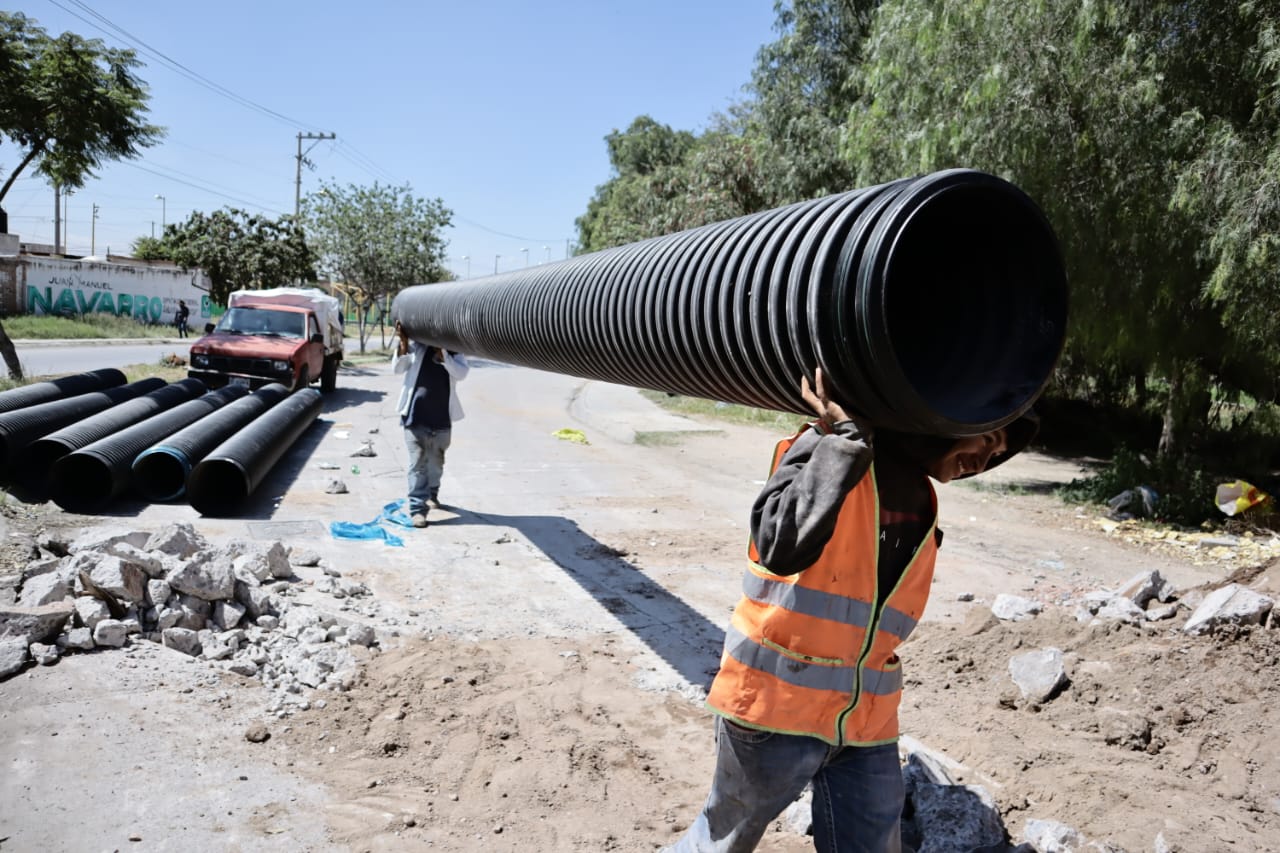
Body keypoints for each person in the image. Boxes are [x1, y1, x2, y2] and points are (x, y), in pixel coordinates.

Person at [665, 368, 1038, 853]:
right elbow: (780, 544)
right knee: (722, 841)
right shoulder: (823, 446)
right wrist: (841, 442)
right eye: (987, 438)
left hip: (864, 723)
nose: (989, 456)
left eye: (998, 449)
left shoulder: (922, 496)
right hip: (775, 708)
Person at [392, 321, 470, 528]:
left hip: (441, 418)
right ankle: (418, 509)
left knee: (436, 463)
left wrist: (442, 353)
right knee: (417, 464)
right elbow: (397, 368)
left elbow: (461, 374)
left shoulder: (454, 351)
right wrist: (403, 341)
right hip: (415, 416)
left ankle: (432, 494)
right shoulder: (416, 346)